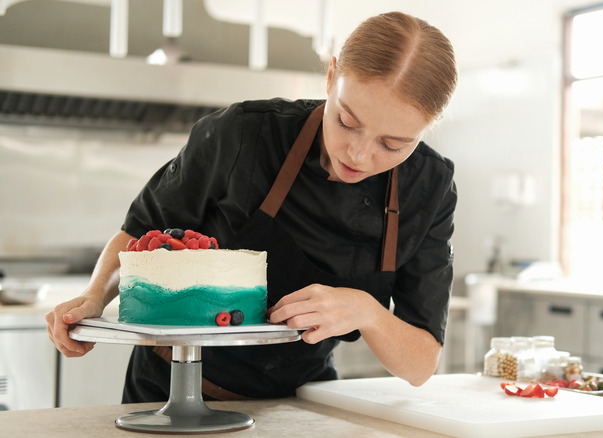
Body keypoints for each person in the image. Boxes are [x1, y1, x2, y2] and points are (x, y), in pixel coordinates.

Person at [45, 11, 458, 402]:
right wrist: (95, 295)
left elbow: (420, 365)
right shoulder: (243, 134)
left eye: (393, 144)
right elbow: (142, 230)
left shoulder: (430, 186)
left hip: (302, 402)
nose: (359, 154)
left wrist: (367, 312)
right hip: (171, 388)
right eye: (347, 121)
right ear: (331, 77)